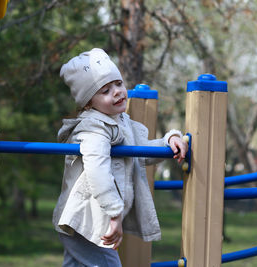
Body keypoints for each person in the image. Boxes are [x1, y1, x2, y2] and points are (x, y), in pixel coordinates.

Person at [52, 48, 188, 267]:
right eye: (105, 90)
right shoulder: (94, 128)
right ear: (88, 103)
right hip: (87, 222)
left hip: (91, 220)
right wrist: (114, 214)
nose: (116, 92)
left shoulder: (120, 121)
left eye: (118, 84)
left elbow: (140, 152)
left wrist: (168, 141)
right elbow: (97, 170)